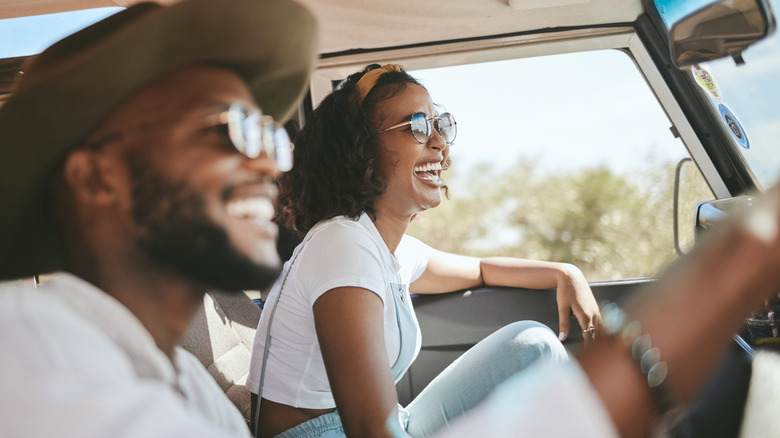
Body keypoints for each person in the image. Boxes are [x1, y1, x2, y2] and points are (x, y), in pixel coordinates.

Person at [0, 0, 317, 436]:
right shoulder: (27, 347)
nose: (270, 166)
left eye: (267, 136)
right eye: (229, 128)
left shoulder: (186, 382)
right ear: (95, 178)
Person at [247, 64, 602, 438]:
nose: (439, 143)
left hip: (381, 425)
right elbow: (372, 430)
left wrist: (565, 273)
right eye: (416, 126)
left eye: (440, 124)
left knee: (533, 346)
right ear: (360, 148)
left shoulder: (387, 249)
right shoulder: (342, 246)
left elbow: (481, 269)